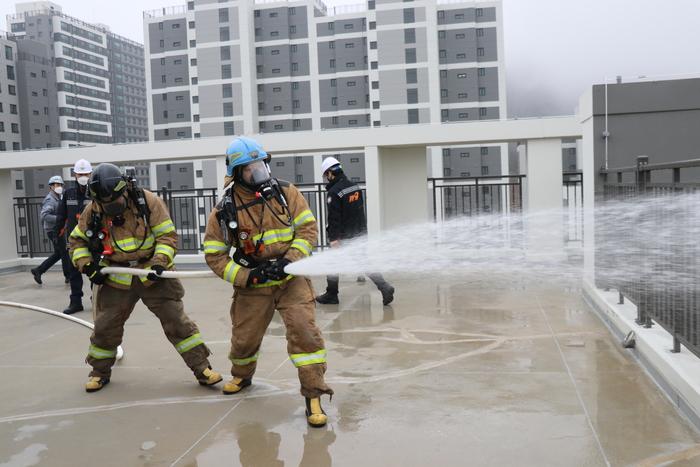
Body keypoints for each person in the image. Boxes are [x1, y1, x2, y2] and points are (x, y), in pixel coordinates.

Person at [203, 137, 333, 427]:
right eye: (250, 168)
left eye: (261, 164)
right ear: (237, 173)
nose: (259, 172)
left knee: (305, 332)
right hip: (253, 285)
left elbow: (308, 230)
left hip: (291, 279)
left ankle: (314, 395)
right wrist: (251, 276)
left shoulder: (286, 193)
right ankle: (242, 375)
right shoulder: (224, 209)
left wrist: (290, 260)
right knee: (244, 338)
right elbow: (214, 255)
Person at [68, 163, 222, 393]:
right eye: (106, 204)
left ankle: (202, 368)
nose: (112, 208)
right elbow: (76, 242)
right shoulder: (94, 210)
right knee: (105, 327)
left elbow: (167, 236)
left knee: (177, 322)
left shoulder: (148, 202)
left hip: (153, 275)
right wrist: (88, 266)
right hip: (117, 277)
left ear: (124, 190)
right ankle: (99, 372)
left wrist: (159, 262)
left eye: (115, 203)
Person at [315, 157, 395, 306]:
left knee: (332, 263)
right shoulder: (354, 187)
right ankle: (384, 287)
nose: (327, 179)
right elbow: (359, 212)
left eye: (326, 175)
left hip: (344, 236)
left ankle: (332, 295)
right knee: (363, 262)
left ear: (331, 173)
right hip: (359, 233)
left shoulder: (334, 192)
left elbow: (334, 218)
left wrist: (334, 239)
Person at [55, 159, 93, 315]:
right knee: (73, 271)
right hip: (74, 240)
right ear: (75, 175)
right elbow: (61, 215)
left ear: (90, 174)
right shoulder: (68, 194)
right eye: (80, 174)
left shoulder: (95, 192)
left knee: (94, 270)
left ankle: (96, 300)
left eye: (85, 174)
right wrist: (57, 234)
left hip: (92, 239)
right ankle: (75, 302)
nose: (83, 176)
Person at [30, 176, 70, 285]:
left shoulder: (58, 197)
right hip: (53, 230)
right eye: (56, 185)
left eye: (60, 185)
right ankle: (68, 276)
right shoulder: (50, 199)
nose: (59, 187)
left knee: (59, 253)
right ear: (51, 187)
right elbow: (44, 215)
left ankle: (38, 270)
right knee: (64, 252)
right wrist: (59, 219)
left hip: (57, 229)